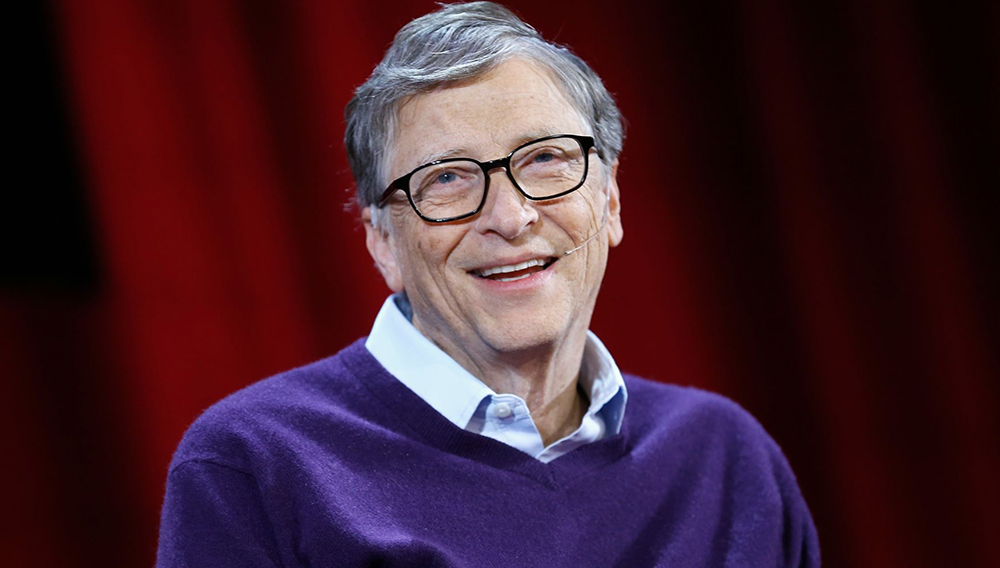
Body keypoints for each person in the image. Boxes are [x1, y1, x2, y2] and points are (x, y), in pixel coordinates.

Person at [156, 2, 820, 566]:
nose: (510, 216)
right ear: (381, 241)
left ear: (611, 201)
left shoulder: (726, 459)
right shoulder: (254, 466)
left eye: (547, 158)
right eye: (446, 178)